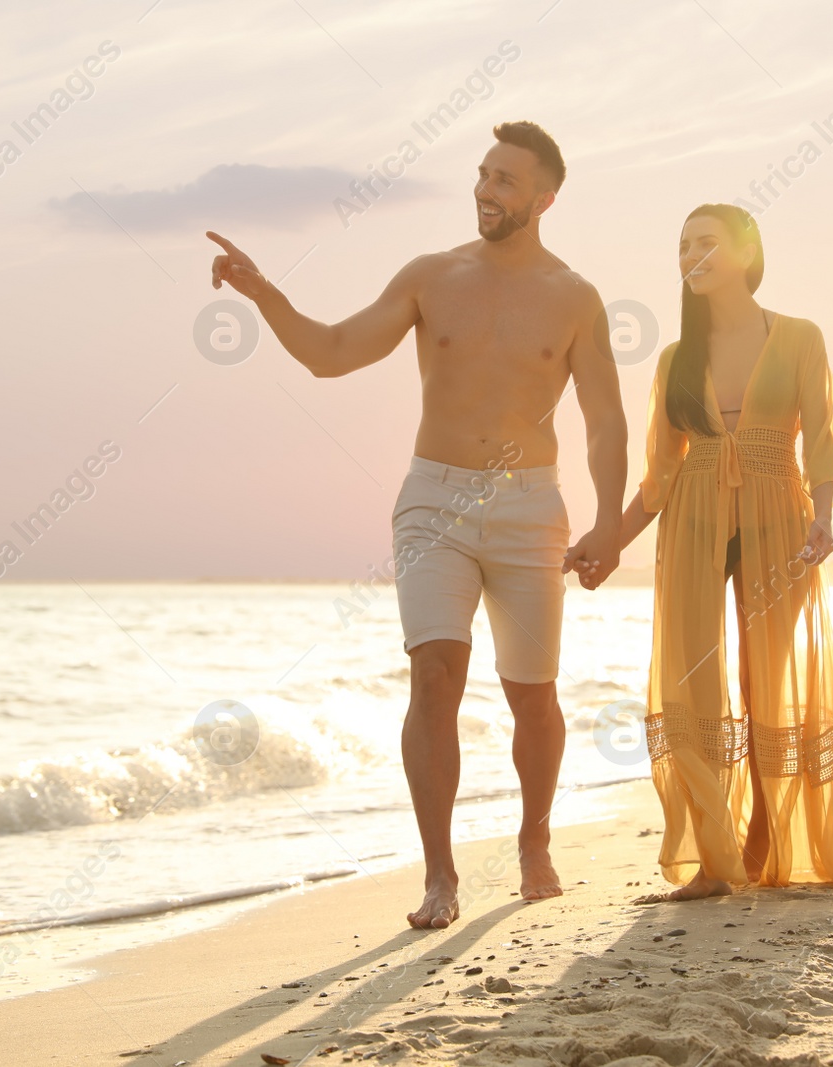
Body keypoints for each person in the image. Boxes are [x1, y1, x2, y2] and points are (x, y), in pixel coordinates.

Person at [207, 121, 629, 928]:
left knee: (530, 694)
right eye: (481, 174)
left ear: (544, 198)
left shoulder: (574, 296)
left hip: (529, 503)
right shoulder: (431, 277)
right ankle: (440, 874)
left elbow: (605, 420)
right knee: (434, 674)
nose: (487, 190)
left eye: (506, 180)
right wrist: (265, 291)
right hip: (433, 499)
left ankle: (534, 837)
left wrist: (610, 520)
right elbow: (330, 352)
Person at [584, 203, 833, 899]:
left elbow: (823, 437)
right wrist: (607, 545)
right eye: (683, 244)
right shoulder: (673, 359)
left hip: (778, 511)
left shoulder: (801, 336)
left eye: (706, 242)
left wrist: (826, 516)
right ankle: (714, 857)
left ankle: (767, 836)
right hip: (691, 514)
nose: (692, 254)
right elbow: (657, 478)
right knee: (691, 679)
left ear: (746, 252)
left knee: (766, 675)